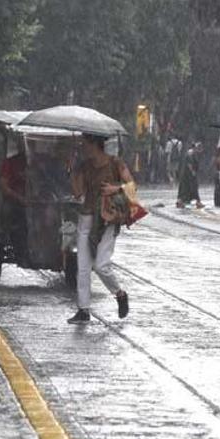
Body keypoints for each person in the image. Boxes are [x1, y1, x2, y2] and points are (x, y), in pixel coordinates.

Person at [67, 134, 132, 324]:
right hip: (86, 218)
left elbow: (132, 186)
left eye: (85, 144)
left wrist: (115, 189)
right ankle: (83, 310)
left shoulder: (115, 163)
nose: (83, 147)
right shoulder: (84, 166)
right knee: (83, 267)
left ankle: (119, 294)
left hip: (107, 219)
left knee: (102, 265)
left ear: (95, 144)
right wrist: (71, 170)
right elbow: (78, 192)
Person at [0, 142, 28, 254]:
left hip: (36, 200)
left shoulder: (39, 162)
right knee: (7, 210)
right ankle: (8, 238)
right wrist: (19, 198)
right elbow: (4, 187)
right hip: (15, 200)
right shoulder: (10, 163)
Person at [176, 142, 204, 209]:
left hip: (186, 174)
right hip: (188, 175)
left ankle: (180, 201)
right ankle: (197, 202)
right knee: (192, 188)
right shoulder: (191, 153)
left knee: (184, 189)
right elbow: (189, 163)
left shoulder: (191, 152)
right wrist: (192, 171)